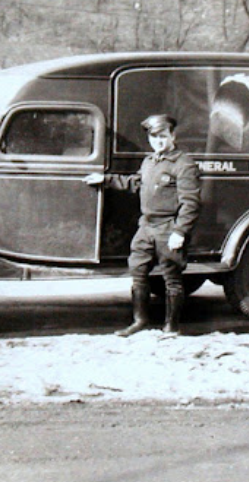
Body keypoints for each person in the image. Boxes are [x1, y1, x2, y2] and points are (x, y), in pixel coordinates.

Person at [84, 114, 201, 338]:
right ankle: (140, 321)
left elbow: (191, 202)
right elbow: (136, 183)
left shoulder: (183, 163)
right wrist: (106, 179)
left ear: (172, 135)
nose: (158, 141)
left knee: (172, 277)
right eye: (154, 137)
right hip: (146, 226)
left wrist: (180, 231)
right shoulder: (149, 162)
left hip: (168, 227)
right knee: (138, 272)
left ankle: (171, 327)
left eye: (163, 136)